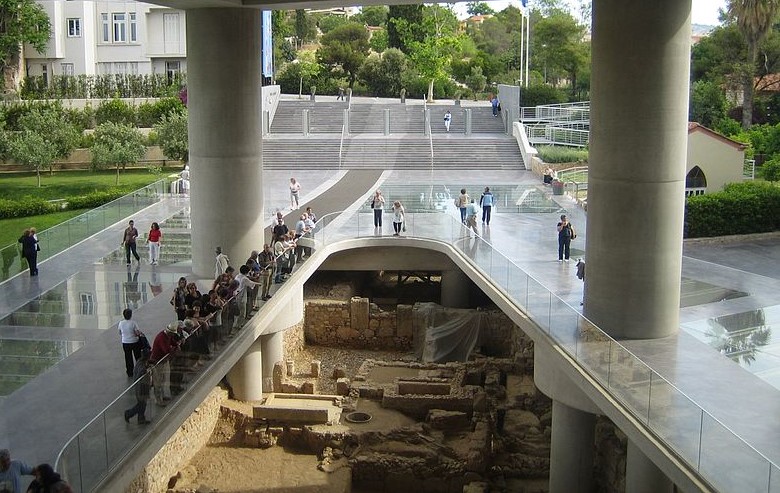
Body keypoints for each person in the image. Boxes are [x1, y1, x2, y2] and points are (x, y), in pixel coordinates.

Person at [149, 322, 181, 406]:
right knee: (158, 382)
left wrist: (176, 344)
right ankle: (158, 399)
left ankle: (163, 396)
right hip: (157, 362)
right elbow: (166, 350)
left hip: (163, 361)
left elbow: (172, 342)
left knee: (163, 380)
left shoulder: (168, 335)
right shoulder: (161, 338)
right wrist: (175, 349)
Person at [124, 350, 152, 425]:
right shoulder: (142, 366)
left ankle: (141, 418)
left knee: (143, 404)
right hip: (141, 388)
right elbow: (142, 373)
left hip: (140, 388)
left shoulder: (140, 362)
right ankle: (128, 414)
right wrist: (147, 370)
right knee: (141, 405)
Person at [118, 308, 143, 377]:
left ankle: (129, 372)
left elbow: (120, 332)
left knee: (128, 357)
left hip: (125, 342)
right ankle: (139, 370)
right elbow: (137, 333)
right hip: (134, 341)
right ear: (131, 315)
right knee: (137, 356)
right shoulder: (133, 323)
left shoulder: (121, 323)